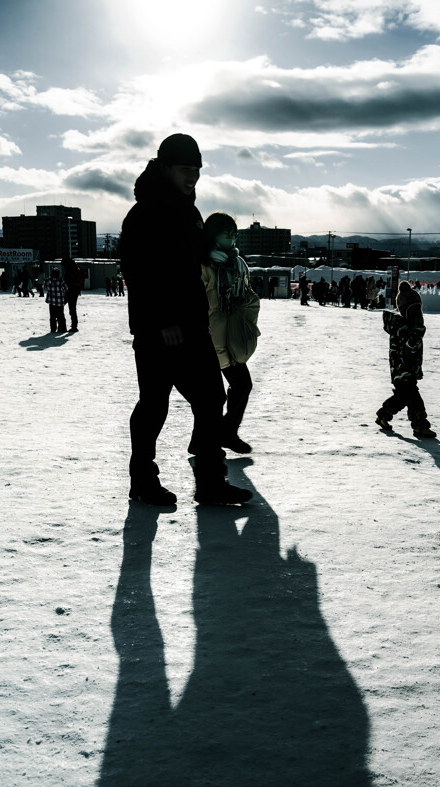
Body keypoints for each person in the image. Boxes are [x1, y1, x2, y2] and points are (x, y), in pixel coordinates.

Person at [120, 133, 251, 507]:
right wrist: (163, 322)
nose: (192, 176)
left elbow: (191, 260)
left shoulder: (186, 210)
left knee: (211, 398)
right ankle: (143, 479)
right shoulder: (145, 214)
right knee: (154, 404)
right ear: (164, 168)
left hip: (191, 325)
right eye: (184, 169)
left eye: (196, 170)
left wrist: (216, 251)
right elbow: (140, 273)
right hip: (160, 329)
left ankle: (210, 483)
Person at [201, 212, 260, 455]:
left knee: (242, 386)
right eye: (227, 235)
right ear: (213, 235)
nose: (232, 240)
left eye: (234, 235)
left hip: (230, 337)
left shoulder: (237, 263)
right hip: (207, 337)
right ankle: (208, 442)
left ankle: (225, 433)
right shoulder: (203, 264)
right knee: (210, 398)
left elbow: (247, 293)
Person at [375, 280, 436, 439]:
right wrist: (418, 329)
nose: (418, 314)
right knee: (414, 399)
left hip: (405, 369)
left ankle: (383, 415)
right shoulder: (403, 327)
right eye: (413, 310)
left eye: (418, 309)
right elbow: (411, 344)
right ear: (404, 310)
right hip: (402, 370)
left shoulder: (407, 325)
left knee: (402, 398)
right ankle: (420, 425)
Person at [61, 255, 84, 333]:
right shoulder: (77, 268)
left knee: (61, 307)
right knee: (73, 308)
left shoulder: (69, 270)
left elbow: (67, 281)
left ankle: (63, 326)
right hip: (75, 291)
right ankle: (74, 325)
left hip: (70, 291)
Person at [45, 267, 68, 332]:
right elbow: (66, 288)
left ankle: (53, 329)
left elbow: (46, 287)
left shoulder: (48, 280)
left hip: (51, 301)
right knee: (61, 315)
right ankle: (62, 328)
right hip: (60, 301)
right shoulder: (61, 280)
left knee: (52, 316)